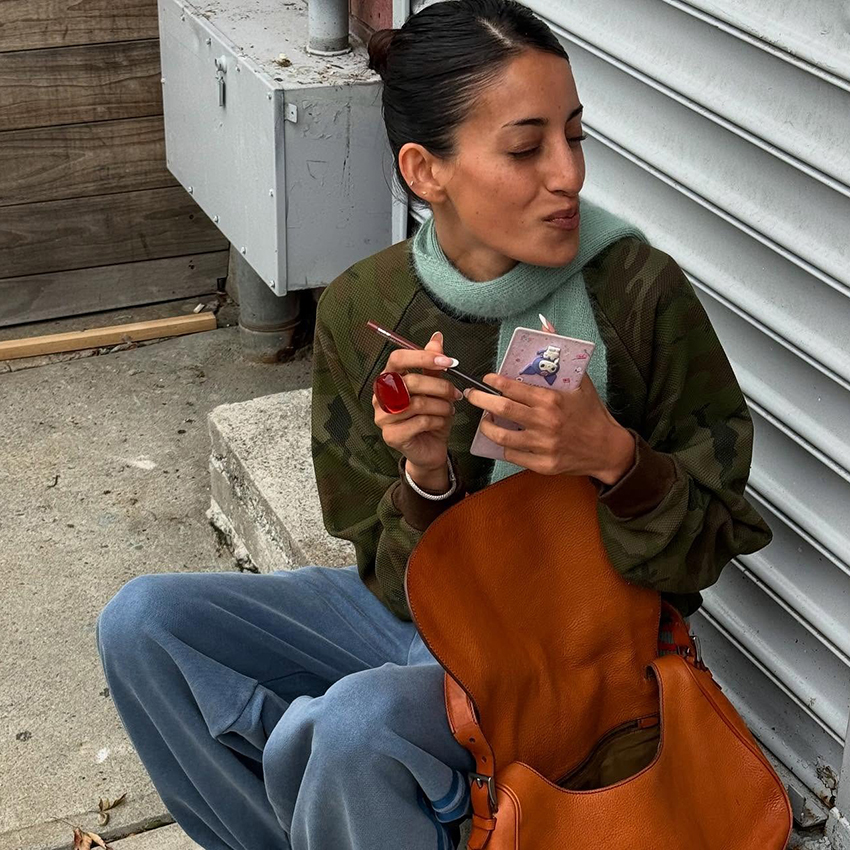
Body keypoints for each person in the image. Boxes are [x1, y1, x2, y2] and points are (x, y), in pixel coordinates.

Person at [95, 2, 774, 849]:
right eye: (527, 148)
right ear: (425, 171)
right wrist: (425, 476)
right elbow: (389, 582)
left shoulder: (635, 293)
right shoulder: (367, 308)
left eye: (575, 135)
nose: (568, 174)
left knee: (351, 731)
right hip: (433, 616)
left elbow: (711, 545)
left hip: (581, 644)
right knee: (144, 624)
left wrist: (614, 458)